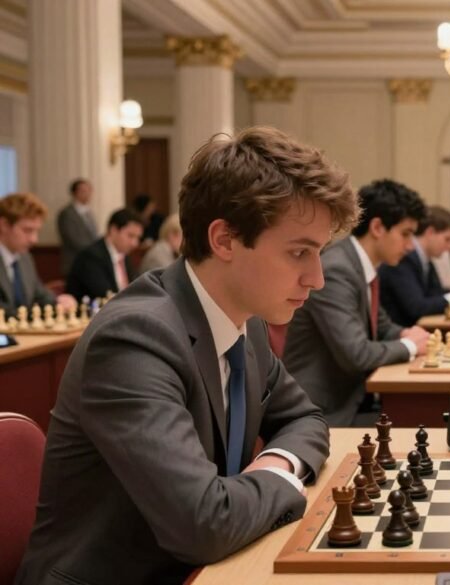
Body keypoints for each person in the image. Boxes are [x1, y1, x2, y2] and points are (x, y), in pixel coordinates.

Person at [16, 126, 357, 584]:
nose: (316, 278)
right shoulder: (135, 339)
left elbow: (307, 418)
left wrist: (275, 463)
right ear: (225, 240)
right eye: (299, 252)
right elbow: (202, 524)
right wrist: (281, 483)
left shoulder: (245, 322)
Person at [284, 179, 431, 426]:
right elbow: (357, 355)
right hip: (323, 412)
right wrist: (410, 346)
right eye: (405, 234)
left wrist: (408, 333)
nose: (409, 246)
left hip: (354, 399)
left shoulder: (360, 266)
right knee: (422, 424)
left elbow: (382, 326)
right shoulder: (337, 269)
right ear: (377, 227)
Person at [379, 205, 450, 327]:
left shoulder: (426, 259)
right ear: (430, 232)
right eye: (447, 239)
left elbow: (435, 293)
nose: (449, 247)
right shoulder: (405, 257)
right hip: (398, 334)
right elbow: (416, 307)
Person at [0, 193, 77, 314]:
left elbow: (40, 294)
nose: (34, 239)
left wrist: (58, 302)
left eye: (37, 231)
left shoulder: (25, 258)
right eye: (27, 230)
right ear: (4, 225)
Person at [65, 208, 144, 300]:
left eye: (138, 238)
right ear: (113, 230)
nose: (135, 243)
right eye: (130, 236)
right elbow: (105, 294)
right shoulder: (91, 257)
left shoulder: (124, 257)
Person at [57, 178, 99, 276]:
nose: (88, 194)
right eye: (83, 191)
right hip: (74, 262)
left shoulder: (89, 213)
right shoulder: (67, 213)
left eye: (89, 190)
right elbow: (72, 239)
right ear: (74, 193)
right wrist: (94, 252)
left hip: (90, 263)